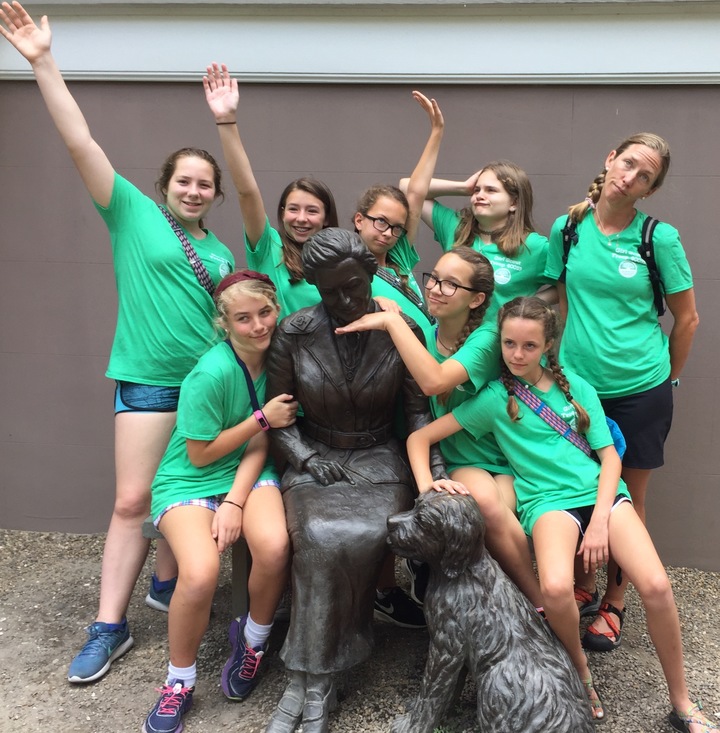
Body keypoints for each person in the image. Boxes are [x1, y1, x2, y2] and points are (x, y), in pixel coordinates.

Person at [0, 1, 237, 684]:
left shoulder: (220, 249)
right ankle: (110, 625)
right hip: (149, 380)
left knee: (189, 494)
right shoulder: (132, 213)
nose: (195, 189)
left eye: (205, 182)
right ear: (166, 187)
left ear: (215, 194)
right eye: (184, 180)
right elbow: (82, 143)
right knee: (134, 502)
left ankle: (166, 585)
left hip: (209, 388)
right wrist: (44, 63)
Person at [405, 296, 718, 732]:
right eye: (509, 344)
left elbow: (610, 460)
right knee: (554, 589)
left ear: (548, 344)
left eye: (529, 346)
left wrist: (601, 522)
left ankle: (682, 702)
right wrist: (427, 489)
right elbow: (419, 440)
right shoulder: (494, 397)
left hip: (602, 495)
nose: (516, 354)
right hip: (548, 503)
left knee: (657, 587)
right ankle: (579, 670)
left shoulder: (575, 385)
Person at [263, 228, 446, 733]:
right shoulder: (295, 331)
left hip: (380, 461)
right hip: (316, 459)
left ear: (370, 274)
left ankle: (308, 679)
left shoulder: (400, 326)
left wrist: (434, 477)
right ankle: (313, 681)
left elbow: (416, 415)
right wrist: (301, 456)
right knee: (320, 539)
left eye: (352, 286)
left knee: (357, 536)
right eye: (329, 291)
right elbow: (277, 416)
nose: (343, 300)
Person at [544, 133, 699, 653]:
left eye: (644, 176)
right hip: (577, 390)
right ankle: (580, 583)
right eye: (628, 163)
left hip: (640, 392)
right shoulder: (566, 229)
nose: (630, 177)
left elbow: (687, 319)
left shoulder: (659, 238)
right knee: (578, 487)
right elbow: (557, 301)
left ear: (650, 190)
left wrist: (666, 379)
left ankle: (615, 601)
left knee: (629, 500)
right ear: (610, 157)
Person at [142, 271, 296, 733]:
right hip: (190, 477)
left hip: (246, 471)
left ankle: (252, 642)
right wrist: (260, 420)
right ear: (224, 323)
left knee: (273, 547)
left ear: (277, 310)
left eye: (265, 313)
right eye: (243, 318)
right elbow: (200, 452)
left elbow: (263, 444)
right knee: (201, 571)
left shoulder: (281, 363)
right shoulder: (210, 372)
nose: (258, 326)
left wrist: (235, 501)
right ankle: (179, 682)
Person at [203, 63, 338, 316]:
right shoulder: (270, 247)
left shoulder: (338, 258)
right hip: (281, 355)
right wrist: (226, 120)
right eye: (293, 209)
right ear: (283, 212)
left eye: (312, 211)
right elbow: (247, 191)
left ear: (326, 217)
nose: (301, 218)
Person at [400, 156, 554, 322]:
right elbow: (407, 187)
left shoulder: (533, 246)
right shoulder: (456, 227)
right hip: (449, 343)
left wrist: (527, 305)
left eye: (491, 190)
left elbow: (569, 283)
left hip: (500, 345)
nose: (479, 195)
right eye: (476, 190)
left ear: (514, 203)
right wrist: (463, 187)